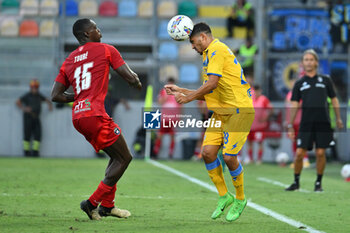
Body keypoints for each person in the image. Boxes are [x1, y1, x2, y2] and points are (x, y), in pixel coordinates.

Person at [51, 18, 142, 220]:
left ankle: (108, 206)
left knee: (116, 157)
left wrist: (79, 96)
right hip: (95, 115)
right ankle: (92, 203)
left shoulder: (69, 59)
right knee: (125, 158)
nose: (99, 31)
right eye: (95, 29)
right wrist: (137, 83)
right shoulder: (106, 50)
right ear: (85, 34)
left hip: (79, 117)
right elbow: (130, 77)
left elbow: (55, 95)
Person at [165, 22, 254, 222]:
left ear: (203, 37)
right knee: (207, 153)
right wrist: (181, 90)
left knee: (230, 157)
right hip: (221, 112)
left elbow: (211, 84)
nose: (192, 46)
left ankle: (240, 198)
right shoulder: (208, 55)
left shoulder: (217, 50)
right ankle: (225, 196)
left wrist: (187, 98)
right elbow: (210, 91)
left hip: (239, 110)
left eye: (194, 42)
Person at [285, 49, 343, 192]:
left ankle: (318, 183)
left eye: (311, 59)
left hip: (323, 123)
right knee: (299, 153)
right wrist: (290, 124)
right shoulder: (299, 83)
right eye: (306, 59)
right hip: (306, 123)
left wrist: (339, 118)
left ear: (316, 62)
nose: (309, 62)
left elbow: (334, 100)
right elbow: (294, 104)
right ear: (302, 63)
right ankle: (296, 181)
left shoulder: (326, 80)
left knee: (320, 153)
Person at [16, 79, 53, 157]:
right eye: (33, 87)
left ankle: (35, 152)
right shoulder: (27, 95)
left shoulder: (39, 95)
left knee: (38, 135)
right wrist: (24, 109)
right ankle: (26, 153)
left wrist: (49, 105)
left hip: (36, 117)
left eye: (36, 87)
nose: (35, 89)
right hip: (28, 118)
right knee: (27, 135)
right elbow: (18, 101)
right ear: (31, 88)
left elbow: (46, 100)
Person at [153, 77, 182, 159]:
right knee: (160, 135)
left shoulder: (177, 93)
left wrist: (179, 117)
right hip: (164, 118)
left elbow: (180, 105)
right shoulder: (163, 92)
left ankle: (170, 154)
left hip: (173, 118)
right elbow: (159, 102)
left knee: (172, 136)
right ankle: (155, 153)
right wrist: (166, 96)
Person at [285, 79, 310, 168]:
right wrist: (287, 122)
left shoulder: (301, 94)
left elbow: (300, 106)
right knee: (294, 140)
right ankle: (296, 160)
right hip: (292, 122)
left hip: (300, 121)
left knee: (302, 140)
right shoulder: (289, 95)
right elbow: (288, 109)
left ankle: (305, 159)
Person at [246, 84, 272, 164]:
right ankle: (250, 159)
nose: (256, 93)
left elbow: (271, 109)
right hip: (250, 125)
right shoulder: (250, 99)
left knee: (259, 142)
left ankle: (259, 159)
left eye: (257, 91)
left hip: (259, 126)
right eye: (255, 91)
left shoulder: (263, 99)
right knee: (249, 142)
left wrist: (265, 118)